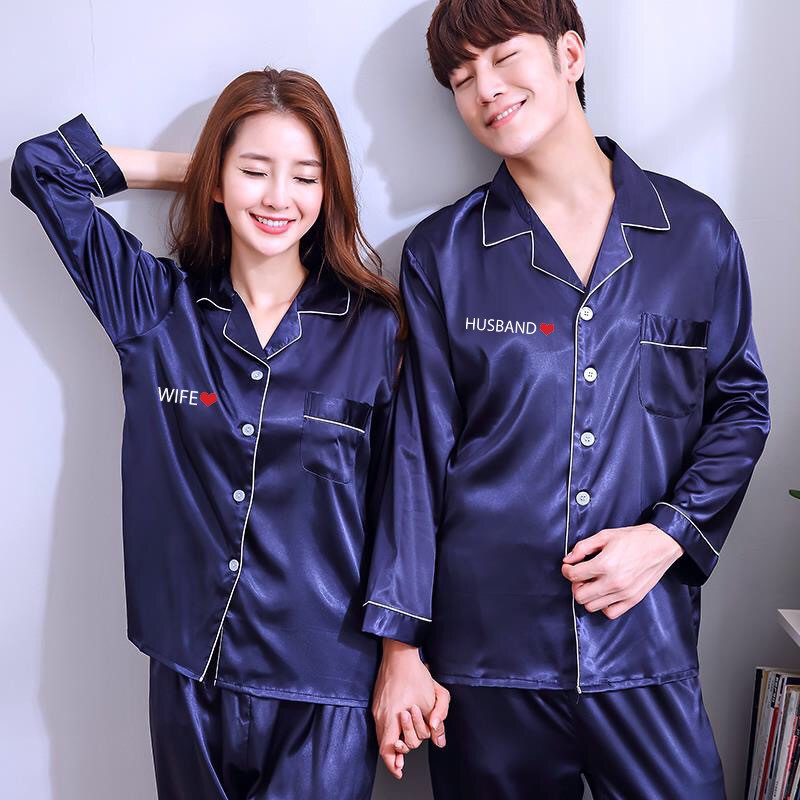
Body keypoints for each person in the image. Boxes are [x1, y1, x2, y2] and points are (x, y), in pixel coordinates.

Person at [363, 1, 770, 797]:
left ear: (570, 54)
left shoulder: (695, 234)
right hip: (486, 661)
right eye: (461, 76)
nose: (485, 87)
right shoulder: (444, 253)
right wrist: (399, 649)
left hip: (644, 643)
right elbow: (415, 453)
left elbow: (740, 406)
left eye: (503, 55)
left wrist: (667, 537)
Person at [11, 67, 413, 800]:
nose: (279, 197)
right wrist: (201, 172)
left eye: (305, 177)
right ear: (220, 181)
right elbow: (42, 169)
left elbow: (401, 507)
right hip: (189, 671)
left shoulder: (375, 330)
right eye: (254, 170)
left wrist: (402, 655)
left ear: (329, 192)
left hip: (325, 686)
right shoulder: (156, 309)